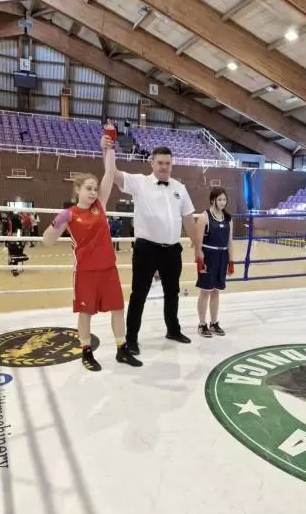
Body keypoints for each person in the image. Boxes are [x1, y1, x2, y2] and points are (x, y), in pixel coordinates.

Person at [42, 125, 142, 371]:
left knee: (118, 309)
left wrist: (109, 147)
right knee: (85, 313)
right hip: (85, 272)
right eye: (88, 188)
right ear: (77, 189)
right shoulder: (70, 214)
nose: (93, 192)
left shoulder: (100, 205)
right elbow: (47, 241)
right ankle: (86, 352)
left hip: (108, 268)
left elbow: (110, 172)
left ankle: (121, 349)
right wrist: (56, 223)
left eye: (95, 188)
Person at [101, 139, 202, 355]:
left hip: (172, 249)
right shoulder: (139, 182)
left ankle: (173, 329)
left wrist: (198, 247)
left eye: (168, 163)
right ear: (152, 163)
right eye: (160, 163)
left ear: (172, 164)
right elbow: (113, 173)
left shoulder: (180, 188)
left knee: (172, 292)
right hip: (146, 249)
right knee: (139, 294)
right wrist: (107, 149)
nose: (164, 167)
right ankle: (131, 338)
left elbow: (188, 219)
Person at [195, 187, 234, 337]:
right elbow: (198, 242)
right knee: (205, 291)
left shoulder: (228, 218)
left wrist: (231, 261)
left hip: (222, 256)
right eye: (220, 199)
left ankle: (213, 322)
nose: (223, 202)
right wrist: (199, 259)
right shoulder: (204, 216)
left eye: (224, 199)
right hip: (208, 255)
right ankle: (202, 324)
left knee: (216, 291)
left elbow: (230, 241)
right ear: (213, 200)